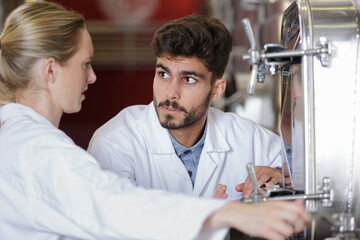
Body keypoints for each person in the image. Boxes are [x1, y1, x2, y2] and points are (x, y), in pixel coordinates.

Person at [0, 2, 310, 240]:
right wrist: (225, 213)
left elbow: (302, 180)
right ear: (51, 70)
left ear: (217, 89)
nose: (93, 76)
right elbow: (114, 208)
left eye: (188, 79)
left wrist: (284, 178)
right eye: (85, 64)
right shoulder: (39, 150)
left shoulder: (22, 140)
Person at [88, 13, 284, 201]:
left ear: (217, 90)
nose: (171, 92)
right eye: (163, 75)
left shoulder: (248, 138)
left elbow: (304, 173)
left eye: (188, 79)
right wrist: (207, 219)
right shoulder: (115, 144)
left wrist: (279, 175)